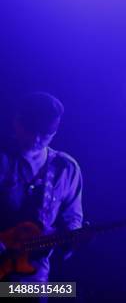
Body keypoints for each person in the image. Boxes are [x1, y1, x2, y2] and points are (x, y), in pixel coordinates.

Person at [0, 92, 83, 287]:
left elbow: (73, 218)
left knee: (70, 292)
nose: (37, 139)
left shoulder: (66, 168)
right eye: (31, 131)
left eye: (46, 134)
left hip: (33, 280)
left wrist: (73, 237)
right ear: (17, 122)